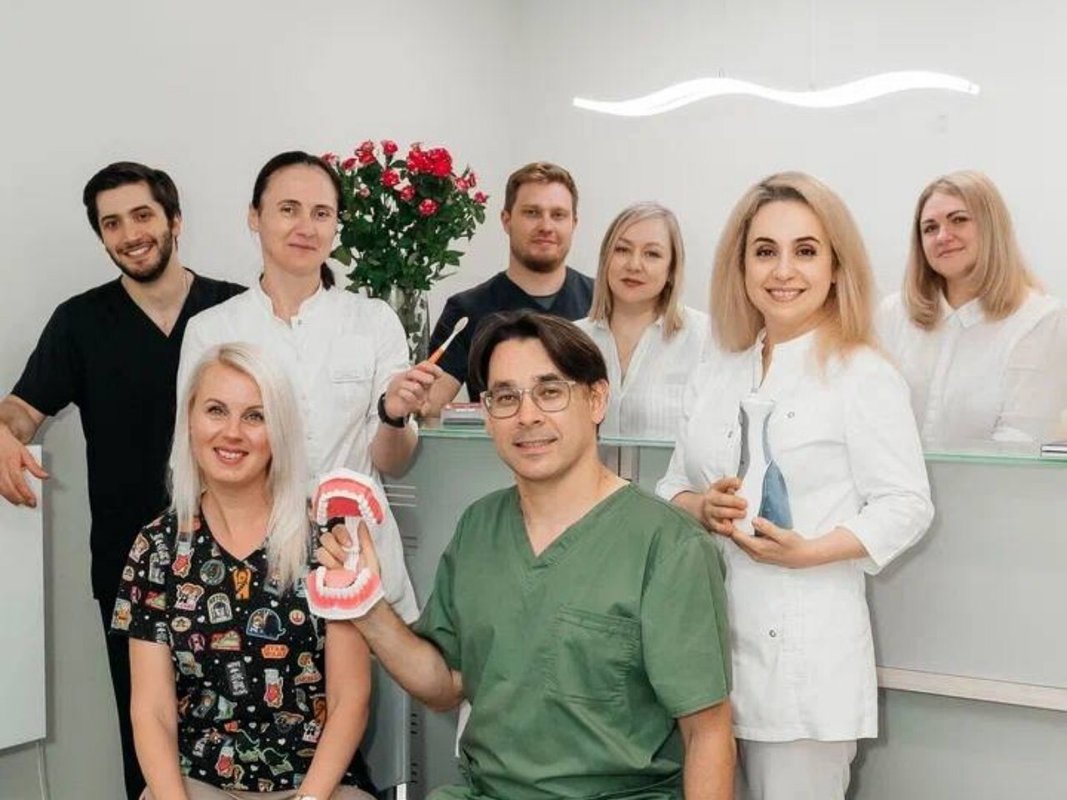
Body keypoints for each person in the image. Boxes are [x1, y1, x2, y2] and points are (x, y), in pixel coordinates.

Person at [319, 311, 736, 800]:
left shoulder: (668, 545)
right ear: (486, 414)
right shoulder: (479, 527)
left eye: (550, 392)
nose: (527, 415)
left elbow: (707, 733)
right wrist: (368, 608)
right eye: (505, 398)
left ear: (596, 399)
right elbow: (446, 684)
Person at [657, 172, 934, 800]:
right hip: (703, 652)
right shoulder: (717, 369)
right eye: (765, 251)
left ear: (836, 267)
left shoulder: (862, 373)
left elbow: (907, 504)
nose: (783, 270)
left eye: (805, 250)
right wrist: (701, 506)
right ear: (741, 266)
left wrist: (810, 551)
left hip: (805, 664)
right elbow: (672, 484)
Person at [0, 161, 244, 799]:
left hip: (244, 559)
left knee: (252, 736)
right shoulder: (80, 322)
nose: (130, 234)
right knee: (148, 746)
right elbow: (22, 409)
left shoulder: (235, 309)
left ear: (174, 221)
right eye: (112, 224)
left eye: (142, 215)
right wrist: (1, 431)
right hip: (132, 566)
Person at [179, 150, 434, 623]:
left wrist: (394, 414)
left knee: (371, 671)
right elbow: (196, 457)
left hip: (358, 554)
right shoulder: (212, 330)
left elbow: (393, 461)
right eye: (288, 209)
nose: (306, 227)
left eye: (321, 213)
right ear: (254, 216)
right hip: (253, 558)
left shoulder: (373, 321)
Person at [112, 343, 373, 799]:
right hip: (197, 783)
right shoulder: (155, 548)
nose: (232, 433)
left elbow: (350, 701)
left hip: (314, 785)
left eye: (255, 416)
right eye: (216, 410)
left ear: (279, 431)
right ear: (190, 421)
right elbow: (152, 711)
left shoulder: (328, 541)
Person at [878, 170, 1067, 446]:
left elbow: (1021, 440)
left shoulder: (1041, 319)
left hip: (992, 476)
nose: (943, 236)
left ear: (992, 228)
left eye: (959, 220)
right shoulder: (892, 314)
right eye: (930, 228)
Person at [423, 162, 594, 413]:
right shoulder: (466, 311)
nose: (546, 226)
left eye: (558, 215)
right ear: (506, 220)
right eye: (532, 213)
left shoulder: (603, 303)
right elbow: (428, 407)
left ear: (574, 223)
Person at [576, 202, 710, 440]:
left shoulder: (705, 339)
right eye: (622, 250)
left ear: (671, 269)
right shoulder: (572, 340)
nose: (634, 265)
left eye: (652, 254)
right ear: (606, 259)